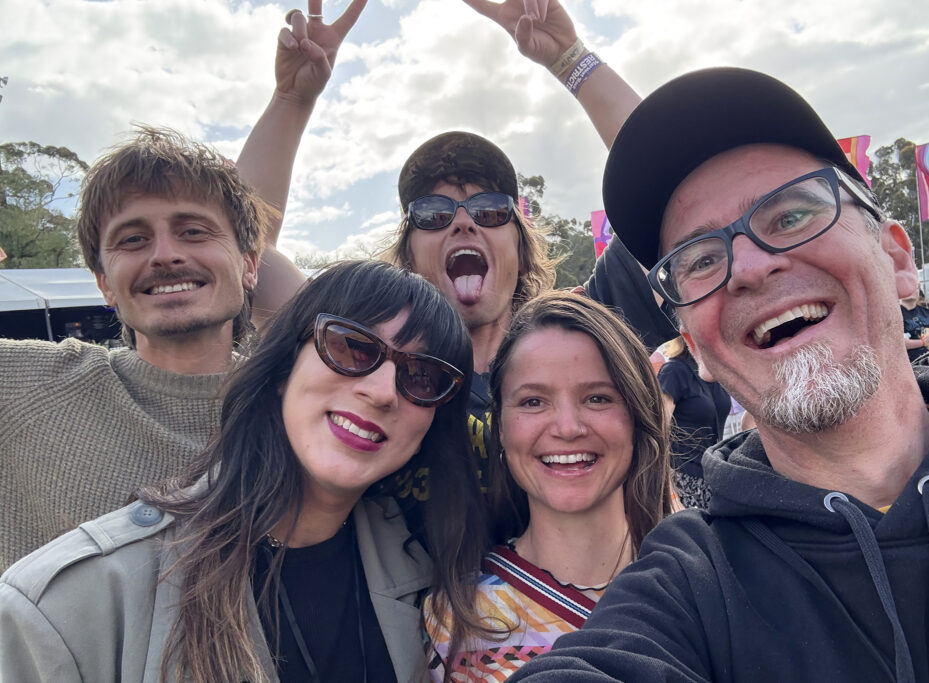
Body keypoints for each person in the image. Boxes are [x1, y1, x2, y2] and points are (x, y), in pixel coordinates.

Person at [511, 67, 929, 681]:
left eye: (790, 216)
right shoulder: (688, 586)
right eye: (701, 258)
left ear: (896, 257)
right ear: (692, 345)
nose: (750, 267)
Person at [238, 0, 675, 497]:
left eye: (489, 211)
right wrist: (292, 101)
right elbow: (241, 251)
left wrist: (570, 60)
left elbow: (673, 193)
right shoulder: (352, 356)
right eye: (432, 215)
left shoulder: (585, 340)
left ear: (521, 246)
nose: (463, 223)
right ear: (408, 255)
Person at [0, 260, 491, 682]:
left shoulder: (430, 572)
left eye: (422, 377)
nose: (383, 391)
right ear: (281, 368)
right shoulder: (70, 606)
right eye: (350, 347)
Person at [0, 126, 274, 571]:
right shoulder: (25, 385)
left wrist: (293, 99)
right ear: (104, 283)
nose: (165, 255)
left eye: (193, 231)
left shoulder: (296, 402)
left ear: (249, 265)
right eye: (132, 239)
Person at [424, 292, 672, 681]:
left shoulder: (705, 580)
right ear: (500, 428)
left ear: (638, 416)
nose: (568, 427)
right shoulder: (453, 622)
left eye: (597, 398)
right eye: (533, 402)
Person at [657, 336, 730, 510]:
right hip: (684, 478)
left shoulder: (715, 374)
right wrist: (668, 490)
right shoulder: (674, 371)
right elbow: (657, 429)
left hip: (714, 475)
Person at [900, 288, 929, 362]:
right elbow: (897, 342)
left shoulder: (926, 312)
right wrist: (922, 342)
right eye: (907, 288)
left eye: (914, 288)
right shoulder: (897, 314)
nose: (911, 290)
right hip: (912, 363)